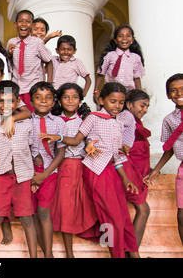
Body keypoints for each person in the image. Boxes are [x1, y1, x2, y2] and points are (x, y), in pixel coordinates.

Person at [40, 82, 140, 258]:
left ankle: (130, 253)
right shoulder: (92, 118)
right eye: (112, 101)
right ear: (101, 100)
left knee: (122, 216)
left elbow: (116, 155)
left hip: (112, 171)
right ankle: (116, 254)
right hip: (95, 170)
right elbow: (78, 140)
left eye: (121, 103)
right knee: (110, 217)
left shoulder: (118, 123)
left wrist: (125, 179)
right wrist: (62, 138)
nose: (117, 106)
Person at [0, 80, 37, 258]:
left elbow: (32, 149)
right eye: (1, 101)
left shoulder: (27, 123)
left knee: (27, 218)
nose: (5, 105)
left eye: (10, 101)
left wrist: (35, 176)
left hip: (22, 177)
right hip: (0, 177)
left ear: (17, 102)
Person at [50, 83, 98, 258]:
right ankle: (69, 253)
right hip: (63, 166)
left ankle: (100, 238)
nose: (70, 101)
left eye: (75, 97)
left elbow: (88, 142)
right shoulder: (54, 120)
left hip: (83, 165)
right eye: (66, 97)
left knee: (86, 204)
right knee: (66, 208)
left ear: (80, 99)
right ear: (59, 100)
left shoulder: (86, 119)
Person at [145, 73, 183, 245]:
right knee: (181, 215)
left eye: (182, 89)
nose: (178, 93)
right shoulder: (169, 119)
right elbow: (169, 148)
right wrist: (156, 169)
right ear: (168, 95)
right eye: (173, 90)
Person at [29, 82, 66, 258]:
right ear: (31, 101)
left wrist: (44, 174)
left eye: (48, 98)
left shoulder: (59, 122)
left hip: (49, 172)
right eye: (38, 97)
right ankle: (42, 250)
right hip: (29, 172)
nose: (43, 101)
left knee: (44, 211)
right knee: (33, 212)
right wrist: (32, 176)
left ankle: (48, 254)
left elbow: (61, 153)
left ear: (53, 102)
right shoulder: (26, 120)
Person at [6, 10, 53, 112]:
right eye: (20, 21)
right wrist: (9, 54)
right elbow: (10, 67)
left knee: (33, 117)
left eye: (27, 21)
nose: (23, 24)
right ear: (15, 24)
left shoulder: (38, 43)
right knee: (19, 117)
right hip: (17, 88)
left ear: (32, 25)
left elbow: (49, 60)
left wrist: (49, 84)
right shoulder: (11, 42)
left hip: (33, 88)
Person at [121, 89, 151, 246]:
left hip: (135, 174)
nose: (145, 110)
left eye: (147, 106)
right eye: (142, 105)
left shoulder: (135, 121)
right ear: (129, 105)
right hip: (128, 174)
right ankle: (132, 252)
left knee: (142, 211)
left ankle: (130, 251)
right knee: (144, 210)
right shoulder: (126, 118)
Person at [94, 24, 145, 104]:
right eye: (120, 36)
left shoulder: (135, 58)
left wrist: (140, 95)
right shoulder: (109, 55)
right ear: (115, 40)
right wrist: (96, 91)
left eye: (128, 36)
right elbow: (100, 74)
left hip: (129, 94)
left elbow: (137, 78)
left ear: (132, 39)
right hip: (111, 92)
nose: (124, 38)